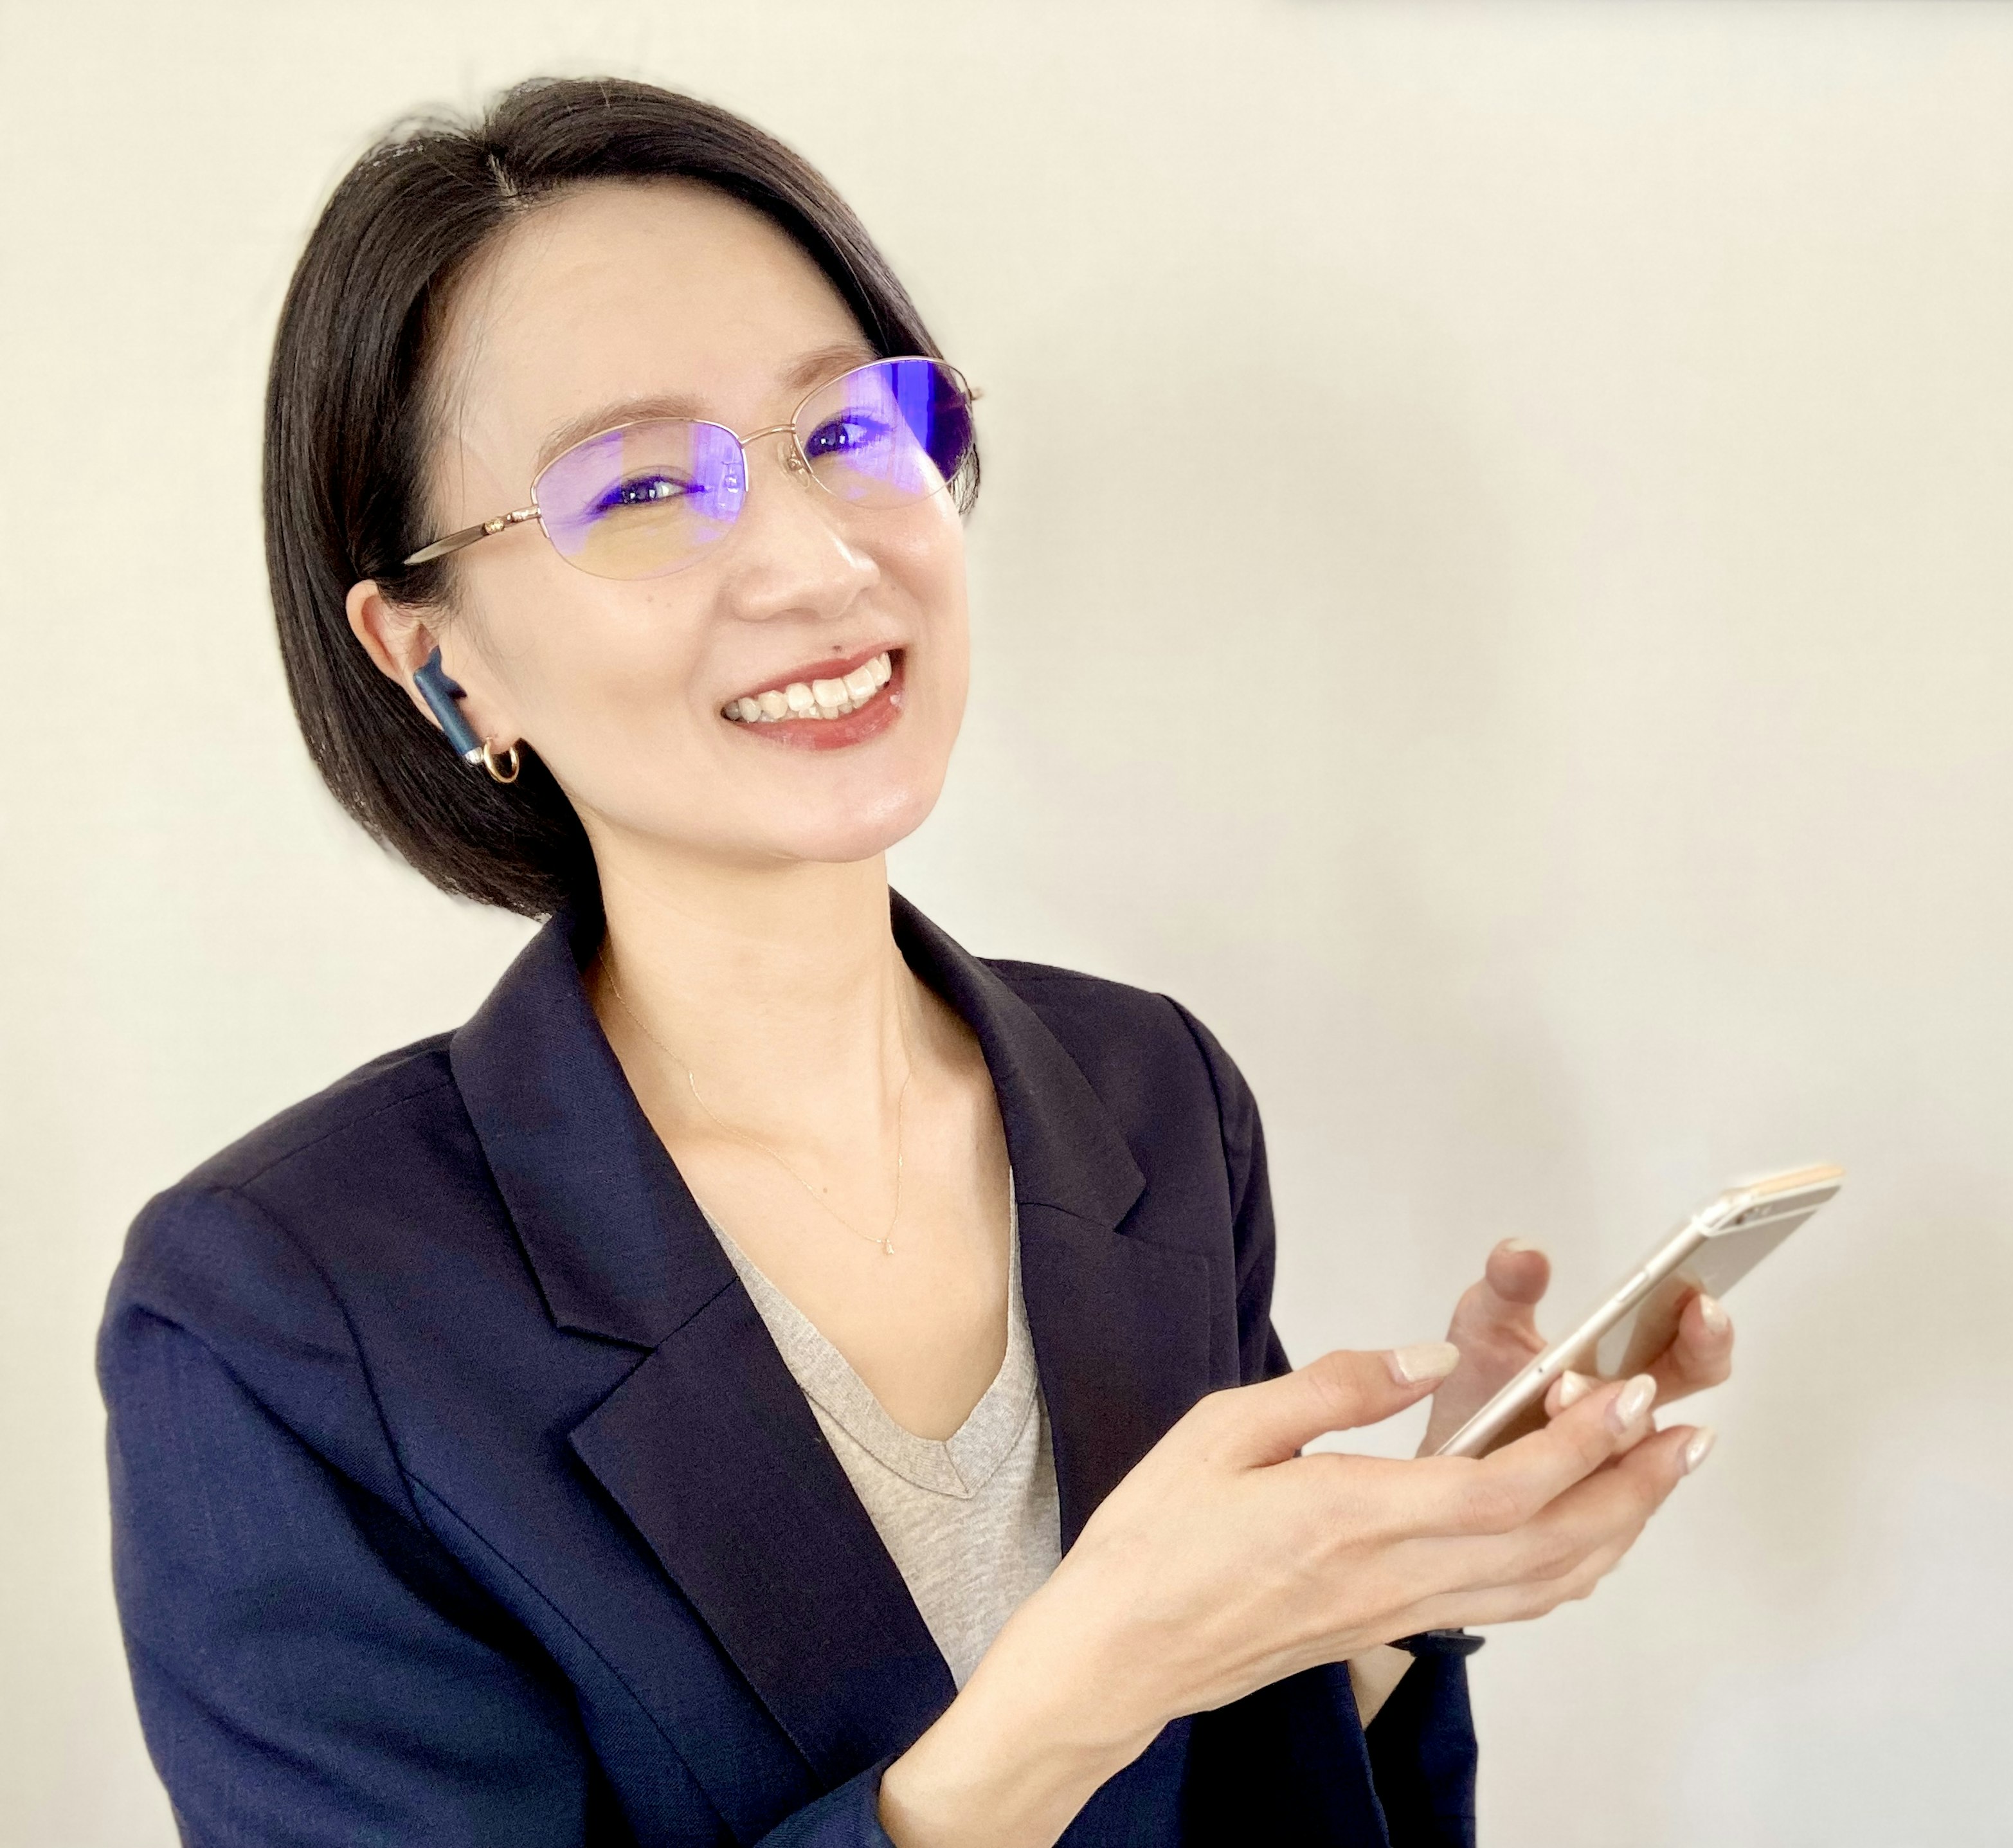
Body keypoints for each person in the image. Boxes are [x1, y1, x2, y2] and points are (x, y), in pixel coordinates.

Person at [96, 75, 1731, 1848]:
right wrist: (1070, 1697)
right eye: (647, 485)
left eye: (850, 431)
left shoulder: (1149, 1098)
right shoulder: (280, 1314)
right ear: (436, 659)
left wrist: (1410, 1572)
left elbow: (1232, 1798)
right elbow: (1108, 1717)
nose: (815, 554)